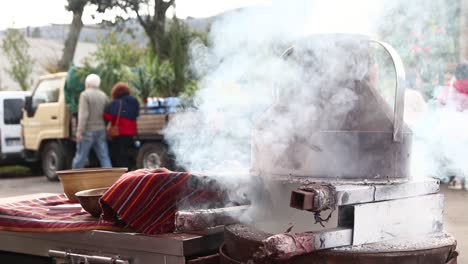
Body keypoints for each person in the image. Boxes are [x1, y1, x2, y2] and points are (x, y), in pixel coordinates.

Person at [72, 74, 112, 169]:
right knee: (104, 157)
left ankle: (73, 179)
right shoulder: (103, 95)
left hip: (88, 130)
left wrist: (79, 131)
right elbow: (107, 112)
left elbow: (83, 115)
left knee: (80, 157)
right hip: (101, 129)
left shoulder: (85, 95)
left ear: (88, 84)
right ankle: (111, 178)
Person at [104, 82, 140, 168]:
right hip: (131, 132)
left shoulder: (116, 103)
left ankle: (122, 175)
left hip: (120, 133)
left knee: (119, 156)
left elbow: (108, 116)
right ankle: (131, 173)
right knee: (129, 155)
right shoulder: (134, 101)